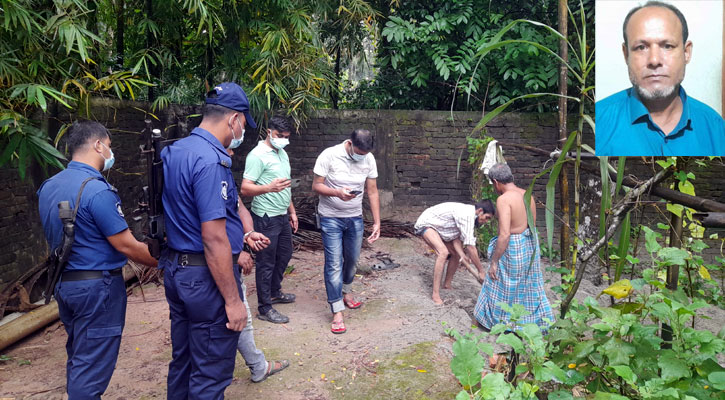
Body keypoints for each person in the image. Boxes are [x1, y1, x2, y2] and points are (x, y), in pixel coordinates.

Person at [159, 82, 269, 399]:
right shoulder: (211, 161)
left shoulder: (174, 151)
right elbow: (214, 238)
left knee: (184, 361)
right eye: (244, 124)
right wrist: (234, 302)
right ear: (234, 119)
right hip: (205, 279)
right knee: (210, 373)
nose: (242, 131)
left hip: (177, 271)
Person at [37, 120, 158, 399]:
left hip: (66, 286)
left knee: (80, 355)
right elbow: (126, 244)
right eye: (110, 146)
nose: (110, 154)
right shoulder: (96, 189)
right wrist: (162, 261)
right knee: (91, 368)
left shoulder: (48, 187)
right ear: (98, 145)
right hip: (97, 290)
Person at [595, 1, 725, 156]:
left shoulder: (716, 128)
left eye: (667, 46)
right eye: (641, 47)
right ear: (626, 54)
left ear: (686, 52)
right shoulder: (596, 124)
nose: (654, 60)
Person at [227, 148, 289, 383]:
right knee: (237, 313)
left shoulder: (221, 171)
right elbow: (211, 227)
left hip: (272, 220)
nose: (233, 152)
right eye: (228, 147)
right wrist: (235, 254)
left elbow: (238, 205)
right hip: (215, 263)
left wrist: (248, 233)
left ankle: (256, 365)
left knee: (241, 317)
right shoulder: (209, 170)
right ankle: (265, 307)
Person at [312, 129, 381, 334]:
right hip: (330, 218)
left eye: (365, 154)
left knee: (351, 260)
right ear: (350, 144)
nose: (362, 157)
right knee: (333, 264)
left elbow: (373, 191)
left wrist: (377, 222)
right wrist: (336, 193)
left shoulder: (369, 158)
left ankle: (346, 293)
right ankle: (336, 311)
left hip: (355, 218)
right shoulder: (329, 155)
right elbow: (316, 185)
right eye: (359, 152)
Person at [473, 163, 554, 331]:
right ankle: (529, 323)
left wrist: (494, 261)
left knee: (497, 283)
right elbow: (531, 224)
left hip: (513, 246)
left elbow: (505, 235)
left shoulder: (503, 200)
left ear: (496, 182)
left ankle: (496, 324)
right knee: (527, 284)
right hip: (530, 245)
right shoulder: (527, 195)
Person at [241, 116, 298, 324]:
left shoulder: (282, 153)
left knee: (285, 254)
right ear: (269, 132)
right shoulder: (257, 155)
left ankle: (274, 291)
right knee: (266, 262)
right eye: (279, 136)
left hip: (282, 214)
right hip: (265, 216)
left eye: (286, 137)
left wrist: (292, 211)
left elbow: (286, 185)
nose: (283, 140)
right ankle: (264, 308)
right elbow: (245, 188)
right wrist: (268, 188)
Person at [414, 201, 495, 304]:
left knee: (456, 255)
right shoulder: (467, 215)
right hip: (426, 224)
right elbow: (470, 247)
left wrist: (462, 255)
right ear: (480, 211)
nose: (486, 221)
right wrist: (481, 271)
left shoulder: (470, 216)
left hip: (440, 229)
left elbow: (456, 239)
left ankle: (447, 285)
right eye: (487, 217)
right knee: (443, 252)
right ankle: (435, 294)